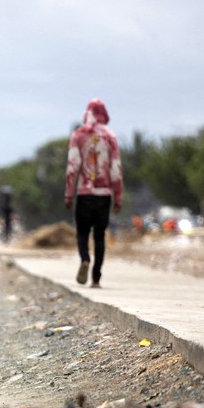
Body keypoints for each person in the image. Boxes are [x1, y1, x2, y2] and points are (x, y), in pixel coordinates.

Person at [64, 98, 123, 288]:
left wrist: (68, 194)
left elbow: (73, 166)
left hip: (85, 193)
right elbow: (115, 169)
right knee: (99, 235)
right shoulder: (110, 137)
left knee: (82, 232)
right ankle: (96, 278)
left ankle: (85, 259)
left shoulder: (79, 135)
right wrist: (118, 197)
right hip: (104, 195)